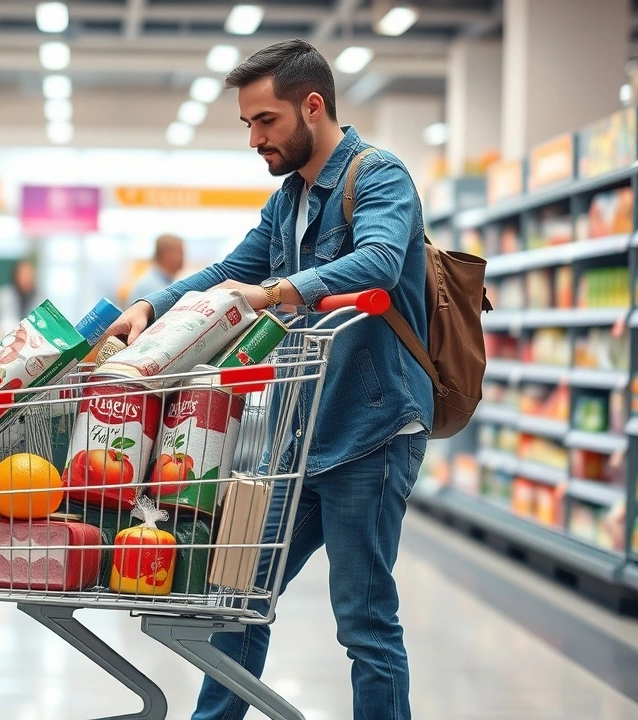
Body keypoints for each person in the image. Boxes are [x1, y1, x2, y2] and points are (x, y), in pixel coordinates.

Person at [106, 40, 432, 720]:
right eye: (248, 124)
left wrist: (276, 292)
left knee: (364, 621)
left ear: (312, 105)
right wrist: (144, 305)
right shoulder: (288, 201)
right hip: (298, 437)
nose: (255, 138)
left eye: (266, 121)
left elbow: (376, 260)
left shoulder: (378, 177)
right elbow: (225, 270)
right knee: (238, 597)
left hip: (370, 431)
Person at [127, 233, 185, 302]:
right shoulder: (152, 287)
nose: (183, 257)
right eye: (180, 252)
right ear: (166, 254)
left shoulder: (163, 282)